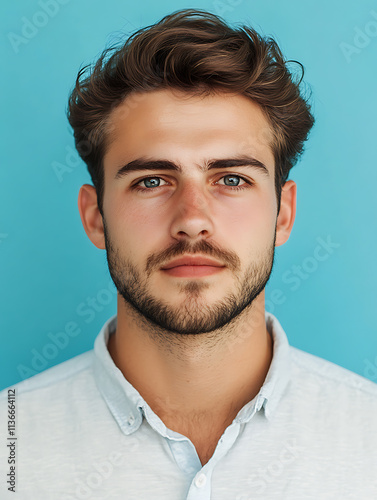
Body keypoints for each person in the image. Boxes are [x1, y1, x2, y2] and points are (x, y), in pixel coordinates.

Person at [1, 8, 377, 499]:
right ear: (95, 217)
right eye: (152, 181)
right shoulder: (10, 451)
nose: (192, 218)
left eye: (232, 179)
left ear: (283, 214)